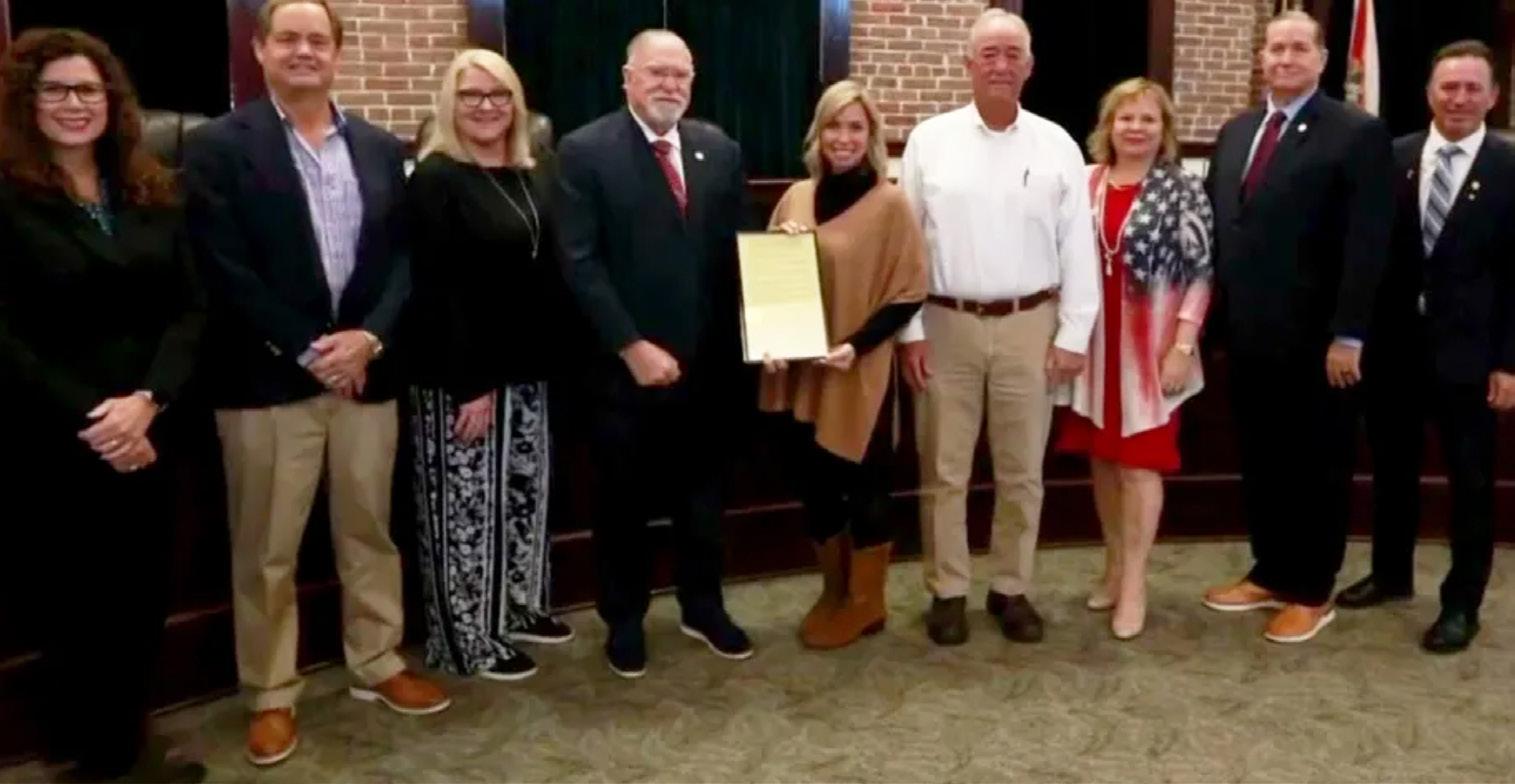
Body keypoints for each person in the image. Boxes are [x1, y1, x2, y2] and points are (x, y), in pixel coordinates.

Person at [181, 0, 449, 767]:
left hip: (365, 375)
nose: (304, 51)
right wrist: (307, 348)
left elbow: (402, 259)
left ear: (338, 52)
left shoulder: (376, 145)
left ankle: (378, 659)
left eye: (318, 40)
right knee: (267, 549)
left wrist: (369, 338)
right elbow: (222, 265)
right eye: (289, 38)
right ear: (261, 49)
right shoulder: (216, 146)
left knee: (368, 530)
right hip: (265, 381)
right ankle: (270, 693)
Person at [0, 28, 206, 783]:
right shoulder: (9, 195)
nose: (73, 103)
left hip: (150, 428)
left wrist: (149, 400)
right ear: (26, 101)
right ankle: (91, 755)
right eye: (54, 89)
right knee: (72, 605)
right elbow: (6, 335)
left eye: (87, 89)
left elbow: (191, 308)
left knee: (140, 597)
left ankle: (125, 743)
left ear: (112, 100)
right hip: (55, 436)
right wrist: (98, 418)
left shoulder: (148, 187)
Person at [555, 29, 754, 679]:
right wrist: (629, 344)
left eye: (680, 74)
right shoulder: (585, 151)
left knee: (703, 502)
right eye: (656, 72)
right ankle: (624, 620)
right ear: (628, 78)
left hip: (709, 370)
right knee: (623, 506)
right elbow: (579, 262)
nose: (669, 84)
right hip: (623, 373)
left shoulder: (718, 150)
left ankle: (703, 607)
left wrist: (774, 314)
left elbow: (740, 250)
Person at [898, 9, 1100, 646]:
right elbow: (907, 244)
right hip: (945, 323)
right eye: (989, 53)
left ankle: (1011, 586)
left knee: (1022, 470)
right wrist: (910, 332)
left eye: (1013, 53)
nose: (1001, 64)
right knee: (945, 469)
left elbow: (1078, 245)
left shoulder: (1057, 144)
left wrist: (1074, 334)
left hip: (1029, 325)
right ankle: (948, 590)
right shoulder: (929, 140)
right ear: (968, 64)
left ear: (1030, 67)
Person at [1202, 10, 1393, 643]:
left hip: (1320, 342)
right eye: (1275, 48)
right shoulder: (1237, 131)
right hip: (1248, 335)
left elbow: (1368, 243)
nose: (1284, 58)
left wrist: (1350, 334)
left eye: (1298, 48)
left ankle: (1312, 589)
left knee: (1318, 465)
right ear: (1262, 57)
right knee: (1263, 459)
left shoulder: (1356, 132)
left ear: (1321, 58)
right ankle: (1271, 570)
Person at [1337, 40, 1515, 653]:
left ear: (1493, 96)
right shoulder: (1393, 157)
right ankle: (1391, 575)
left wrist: (1509, 361)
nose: (1459, 98)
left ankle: (1462, 605)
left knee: (1470, 483)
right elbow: (1368, 256)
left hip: (1472, 358)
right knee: (1392, 470)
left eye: (1472, 88)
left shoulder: (1510, 167)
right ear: (1429, 93)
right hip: (1395, 352)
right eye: (1448, 87)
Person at [406, 48, 574, 682]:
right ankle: (465, 638)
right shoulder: (436, 178)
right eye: (471, 95)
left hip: (527, 367)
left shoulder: (536, 169)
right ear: (450, 104)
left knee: (522, 496)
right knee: (466, 512)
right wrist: (468, 382)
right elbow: (435, 288)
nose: (486, 107)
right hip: (463, 374)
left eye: (499, 95)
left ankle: (516, 607)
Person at [759, 80, 927, 650]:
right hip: (804, 372)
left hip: (860, 369)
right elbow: (767, 281)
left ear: (871, 136)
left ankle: (867, 602)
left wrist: (856, 344)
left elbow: (909, 292)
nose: (844, 137)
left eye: (856, 127)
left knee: (865, 484)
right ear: (819, 133)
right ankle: (835, 589)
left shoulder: (890, 204)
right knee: (817, 484)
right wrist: (771, 338)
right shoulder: (796, 197)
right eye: (834, 125)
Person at [1053, 78, 1213, 640]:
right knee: (1103, 460)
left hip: (1152, 350)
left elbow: (1201, 273)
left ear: (1163, 129)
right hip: (1096, 347)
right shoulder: (1086, 181)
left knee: (1139, 465)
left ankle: (1137, 584)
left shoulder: (1182, 188)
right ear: (1109, 125)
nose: (1136, 128)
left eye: (1148, 119)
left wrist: (1183, 346)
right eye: (1126, 118)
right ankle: (1114, 565)